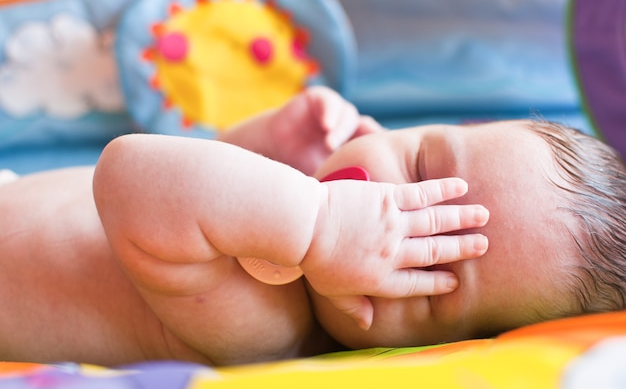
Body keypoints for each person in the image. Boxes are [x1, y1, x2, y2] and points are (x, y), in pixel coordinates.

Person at [0, 87, 624, 368]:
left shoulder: (268, 329)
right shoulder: (284, 229)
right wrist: (258, 144)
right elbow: (207, 187)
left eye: (427, 259)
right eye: (420, 163)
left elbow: (132, 177)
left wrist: (322, 225)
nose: (385, 208)